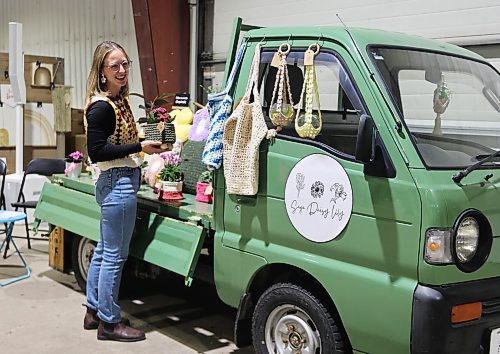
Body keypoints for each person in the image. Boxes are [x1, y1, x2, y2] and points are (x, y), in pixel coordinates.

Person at [82, 41, 169, 342]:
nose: (121, 70)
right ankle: (109, 322)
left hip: (117, 180)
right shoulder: (102, 108)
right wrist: (139, 147)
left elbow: (117, 141)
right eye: (114, 66)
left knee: (105, 251)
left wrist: (146, 142)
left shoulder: (117, 101)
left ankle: (94, 311)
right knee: (114, 257)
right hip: (117, 183)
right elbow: (96, 151)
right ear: (102, 71)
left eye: (125, 64)